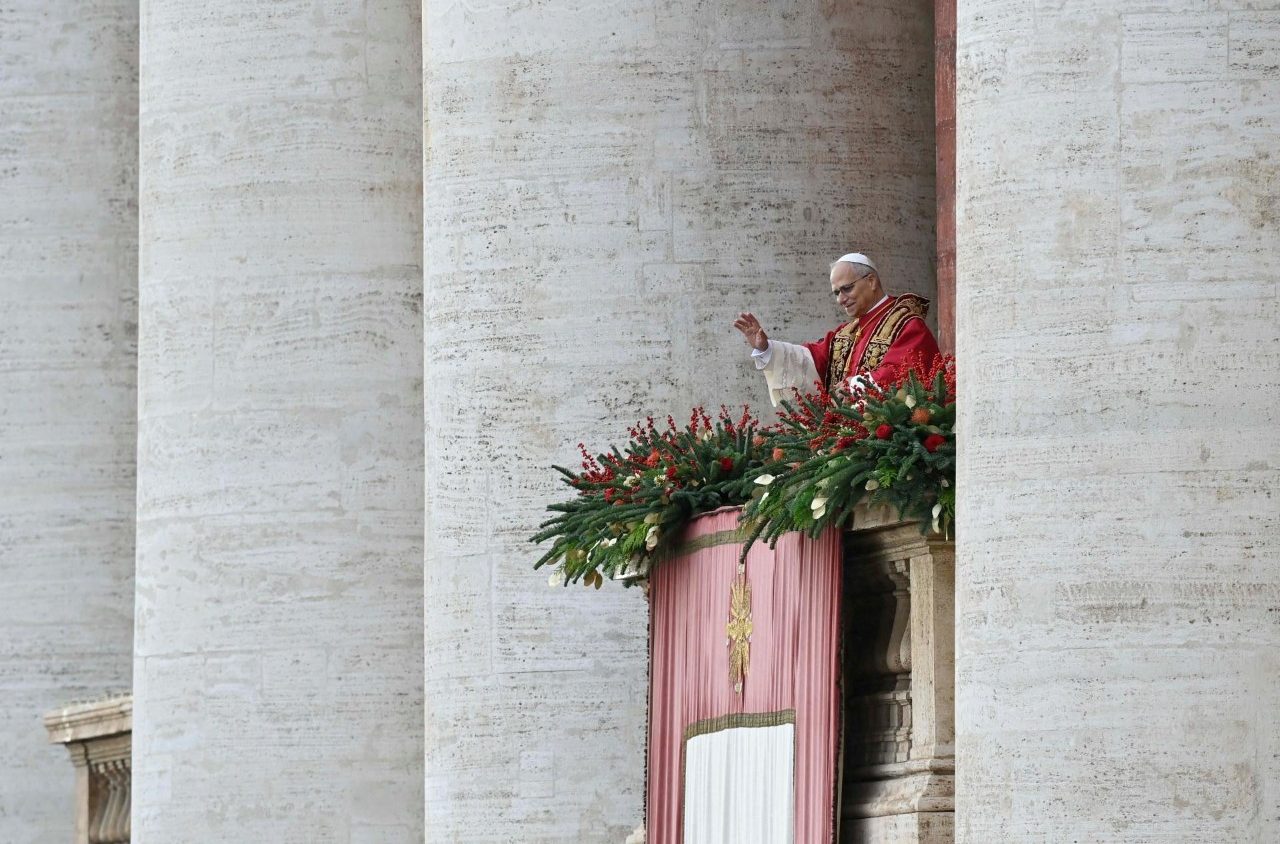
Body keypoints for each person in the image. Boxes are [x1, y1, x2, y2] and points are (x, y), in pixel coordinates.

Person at [733, 252, 939, 406]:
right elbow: (810, 359)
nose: (841, 299)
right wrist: (766, 349)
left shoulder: (907, 323)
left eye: (847, 288)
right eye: (836, 293)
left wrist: (855, 385)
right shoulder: (845, 333)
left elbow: (905, 372)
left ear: (871, 281)